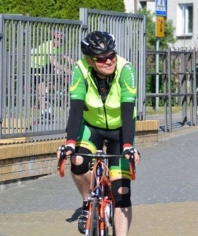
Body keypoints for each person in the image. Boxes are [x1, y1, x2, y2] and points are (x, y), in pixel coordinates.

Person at [56, 31, 141, 235]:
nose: (109, 61)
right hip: (91, 126)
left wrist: (128, 146)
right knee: (77, 160)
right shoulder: (81, 69)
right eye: (101, 58)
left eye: (111, 55)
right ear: (90, 60)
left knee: (121, 191)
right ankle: (87, 202)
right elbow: (76, 108)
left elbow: (128, 111)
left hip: (120, 128)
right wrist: (69, 143)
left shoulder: (125, 69)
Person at [30, 31, 73, 120]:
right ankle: (43, 112)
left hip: (45, 64)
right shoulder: (49, 45)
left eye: (60, 40)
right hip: (36, 65)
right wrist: (69, 71)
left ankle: (49, 90)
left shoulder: (59, 47)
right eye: (56, 39)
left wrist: (77, 64)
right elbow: (54, 62)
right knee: (41, 87)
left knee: (57, 77)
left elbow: (66, 57)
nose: (58, 41)